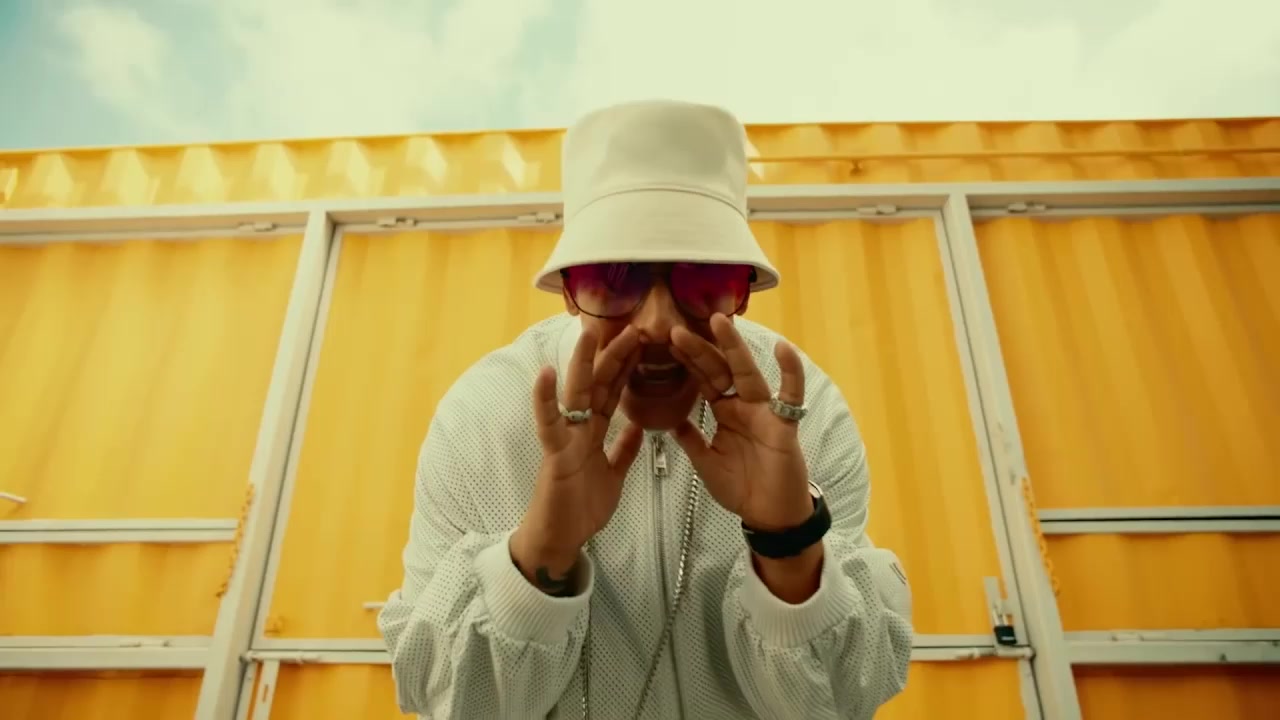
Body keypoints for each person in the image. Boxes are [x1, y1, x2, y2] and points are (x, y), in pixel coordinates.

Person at [378, 99, 913, 720]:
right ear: (570, 291)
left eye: (701, 281)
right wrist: (540, 553)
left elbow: (842, 700)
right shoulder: (484, 417)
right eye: (616, 279)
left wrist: (788, 541)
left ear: (741, 293)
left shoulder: (802, 412)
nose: (658, 324)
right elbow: (447, 701)